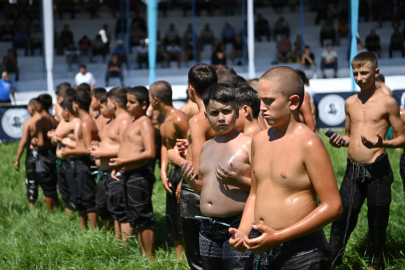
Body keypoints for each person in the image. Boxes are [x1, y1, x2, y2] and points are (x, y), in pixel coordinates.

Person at [228, 66, 342, 269]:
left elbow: (333, 206)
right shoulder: (259, 140)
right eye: (260, 100)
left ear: (293, 102)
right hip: (262, 246)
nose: (261, 107)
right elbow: (255, 193)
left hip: (302, 252)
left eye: (269, 101)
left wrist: (279, 236)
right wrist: (243, 233)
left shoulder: (308, 143)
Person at [328, 52, 405, 270]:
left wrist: (382, 143)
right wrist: (339, 141)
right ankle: (332, 262)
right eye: (355, 73)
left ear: (376, 72)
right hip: (353, 171)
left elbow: (402, 136)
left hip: (377, 170)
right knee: (342, 219)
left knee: (377, 221)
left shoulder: (388, 102)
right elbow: (349, 135)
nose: (359, 77)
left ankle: (376, 263)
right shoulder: (350, 102)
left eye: (364, 72)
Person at [181, 83, 256, 269]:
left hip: (238, 224)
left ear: (237, 112)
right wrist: (192, 182)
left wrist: (238, 181)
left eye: (226, 111)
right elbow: (208, 188)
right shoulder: (206, 147)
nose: (221, 117)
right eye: (214, 113)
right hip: (207, 226)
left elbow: (264, 187)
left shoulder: (249, 144)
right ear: (206, 116)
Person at [173, 64, 218, 270]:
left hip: (197, 189)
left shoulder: (199, 119)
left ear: (191, 89)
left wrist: (176, 158)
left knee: (198, 257)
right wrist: (190, 145)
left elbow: (198, 168)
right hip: (221, 185)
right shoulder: (224, 114)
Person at [108, 86, 156, 258]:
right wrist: (120, 167)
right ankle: (144, 255)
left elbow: (150, 152)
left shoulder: (144, 122)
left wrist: (124, 162)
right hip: (128, 173)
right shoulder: (133, 121)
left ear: (144, 105)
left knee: (142, 217)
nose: (127, 105)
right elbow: (129, 148)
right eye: (127, 101)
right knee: (134, 217)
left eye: (132, 102)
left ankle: (150, 259)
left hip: (140, 175)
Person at [149, 81, 188, 259]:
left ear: (155, 99)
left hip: (185, 169)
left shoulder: (179, 119)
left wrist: (185, 179)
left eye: (149, 97)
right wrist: (163, 171)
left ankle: (189, 258)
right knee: (171, 216)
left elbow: (193, 148)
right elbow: (166, 146)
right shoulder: (161, 119)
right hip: (173, 170)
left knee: (185, 218)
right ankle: (179, 259)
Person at [90, 87, 131, 235]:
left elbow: (127, 147)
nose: (104, 106)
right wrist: (98, 147)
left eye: (106, 102)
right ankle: (116, 240)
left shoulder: (125, 121)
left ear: (113, 103)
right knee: (108, 208)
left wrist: (101, 152)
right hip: (106, 172)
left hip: (117, 172)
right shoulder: (113, 120)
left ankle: (125, 248)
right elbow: (112, 144)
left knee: (121, 211)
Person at [61, 91, 99, 229]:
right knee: (79, 199)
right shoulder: (85, 121)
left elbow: (88, 149)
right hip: (78, 164)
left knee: (88, 198)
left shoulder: (86, 123)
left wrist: (70, 151)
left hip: (84, 164)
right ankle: (83, 229)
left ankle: (94, 231)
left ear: (76, 105)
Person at [53, 94, 80, 214]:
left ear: (67, 111)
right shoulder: (63, 122)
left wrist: (62, 139)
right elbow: (55, 139)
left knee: (75, 193)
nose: (60, 114)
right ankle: (69, 218)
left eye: (61, 111)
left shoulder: (77, 123)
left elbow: (81, 144)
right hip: (61, 162)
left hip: (72, 162)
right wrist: (62, 135)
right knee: (64, 193)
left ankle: (80, 221)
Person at [31, 94, 59, 211]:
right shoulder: (54, 119)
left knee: (47, 187)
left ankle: (50, 213)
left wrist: (34, 142)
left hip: (43, 156)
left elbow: (41, 142)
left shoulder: (40, 121)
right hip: (54, 154)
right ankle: (58, 207)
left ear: (39, 105)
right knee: (52, 184)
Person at [14, 98, 40, 208]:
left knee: (32, 181)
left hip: (32, 154)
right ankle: (54, 205)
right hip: (47, 153)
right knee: (49, 180)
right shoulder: (49, 119)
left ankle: (32, 206)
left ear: (32, 108)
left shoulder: (29, 122)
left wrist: (17, 159)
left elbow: (23, 141)